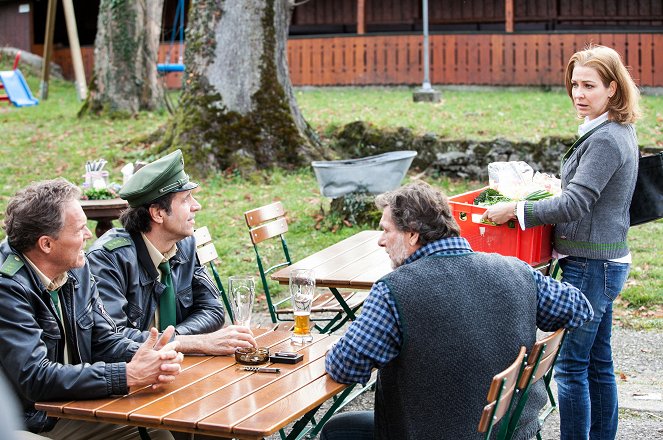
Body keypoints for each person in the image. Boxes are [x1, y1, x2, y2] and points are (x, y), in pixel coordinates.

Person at [322, 181, 594, 440]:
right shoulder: (516, 270)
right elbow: (579, 308)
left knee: (337, 429)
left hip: (432, 432)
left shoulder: (395, 291)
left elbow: (345, 366)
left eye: (386, 230)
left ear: (413, 233)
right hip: (511, 431)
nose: (381, 241)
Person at [483, 45, 640, 440]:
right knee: (596, 364)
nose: (579, 94)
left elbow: (576, 203)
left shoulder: (605, 138)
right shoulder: (612, 130)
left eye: (589, 85)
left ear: (612, 89)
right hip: (603, 261)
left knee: (571, 366)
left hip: (591, 265)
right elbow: (588, 195)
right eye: (574, 84)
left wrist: (516, 211)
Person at [0, 178, 183, 439]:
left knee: (157, 429)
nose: (88, 235)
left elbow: (103, 340)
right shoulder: (7, 286)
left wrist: (152, 358)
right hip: (25, 421)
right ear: (46, 244)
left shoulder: (76, 267)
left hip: (68, 406)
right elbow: (35, 377)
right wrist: (127, 374)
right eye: (80, 229)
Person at [87, 149, 256, 354]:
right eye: (185, 199)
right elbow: (112, 337)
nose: (197, 206)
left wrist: (174, 340)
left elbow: (212, 309)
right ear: (158, 213)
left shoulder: (185, 244)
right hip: (132, 378)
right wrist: (194, 342)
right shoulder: (108, 259)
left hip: (175, 367)